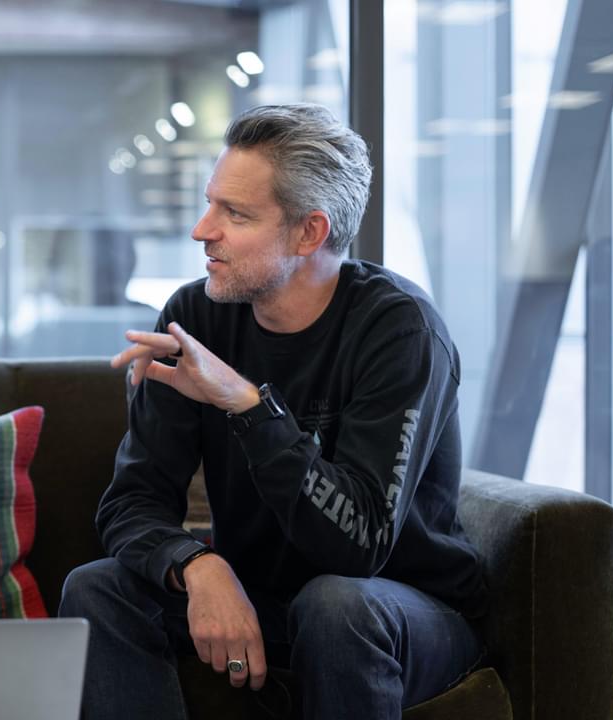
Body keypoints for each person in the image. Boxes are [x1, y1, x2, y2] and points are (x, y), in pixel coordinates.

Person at [57, 104, 486, 719]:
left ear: (310, 233)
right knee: (96, 588)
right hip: (265, 597)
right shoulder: (196, 316)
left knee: (336, 604)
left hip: (403, 609)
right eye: (211, 203)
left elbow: (358, 546)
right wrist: (196, 564)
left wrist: (249, 406)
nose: (203, 230)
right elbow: (131, 501)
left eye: (235, 213)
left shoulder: (399, 330)